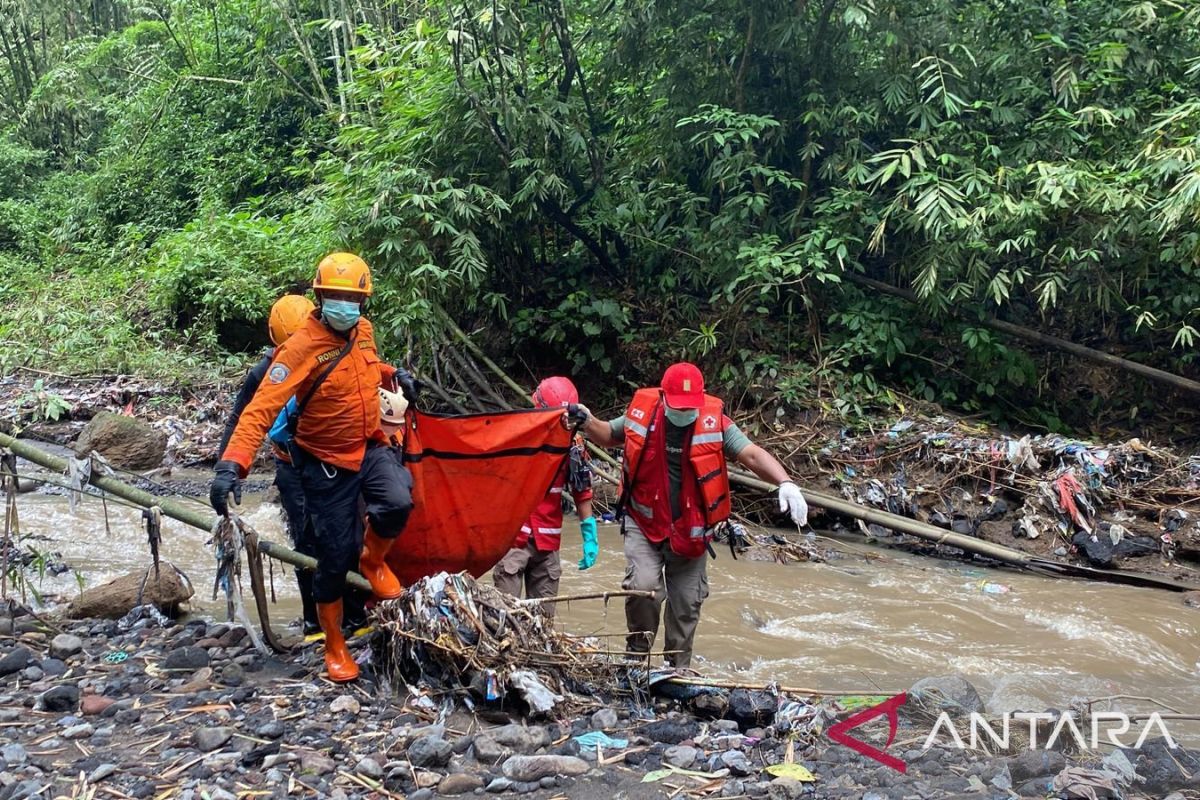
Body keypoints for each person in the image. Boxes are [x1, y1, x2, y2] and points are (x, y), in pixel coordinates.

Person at [210, 252, 414, 682]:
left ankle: (374, 561)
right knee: (333, 558)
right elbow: (259, 408)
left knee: (397, 501)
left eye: (352, 298)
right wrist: (232, 463)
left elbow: (369, 367)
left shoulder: (364, 331)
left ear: (364, 302)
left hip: (368, 444)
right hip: (325, 463)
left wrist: (395, 375)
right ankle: (334, 645)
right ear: (320, 298)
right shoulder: (299, 348)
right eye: (335, 296)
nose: (344, 304)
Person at [577, 362, 809, 668]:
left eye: (690, 408)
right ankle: (635, 662)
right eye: (678, 407)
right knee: (643, 587)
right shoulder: (644, 414)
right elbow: (607, 434)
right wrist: (586, 419)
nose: (685, 412)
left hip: (691, 532)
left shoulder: (716, 423)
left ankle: (677, 669)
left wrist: (785, 482)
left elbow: (750, 453)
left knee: (686, 604)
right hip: (644, 522)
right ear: (663, 397)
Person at [217, 294, 340, 638]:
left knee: (338, 536)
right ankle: (314, 621)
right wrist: (229, 467)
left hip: (329, 461)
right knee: (306, 540)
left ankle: (344, 614)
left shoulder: (330, 355)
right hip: (293, 466)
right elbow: (244, 419)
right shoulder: (266, 371)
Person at [493, 377, 597, 613]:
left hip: (547, 542)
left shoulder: (574, 444)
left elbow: (581, 490)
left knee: (543, 622)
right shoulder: (516, 435)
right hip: (513, 539)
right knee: (506, 618)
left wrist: (589, 533)